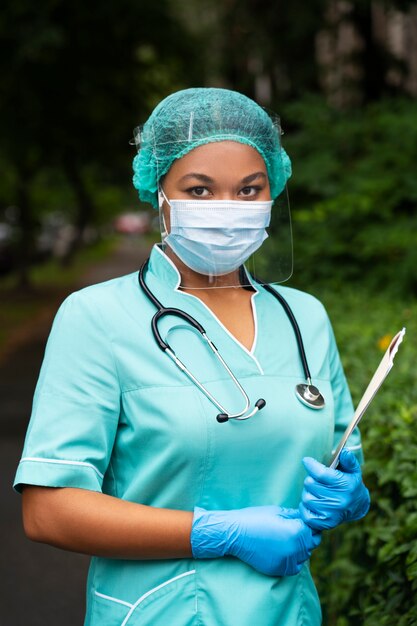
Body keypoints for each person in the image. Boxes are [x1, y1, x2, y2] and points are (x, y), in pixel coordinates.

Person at [14, 87, 370, 626]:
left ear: (273, 191)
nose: (228, 209)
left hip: (287, 611)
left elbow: (343, 457)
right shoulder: (96, 318)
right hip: (160, 612)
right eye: (200, 190)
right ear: (159, 193)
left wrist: (350, 496)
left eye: (249, 190)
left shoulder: (305, 318)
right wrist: (217, 532)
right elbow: (48, 510)